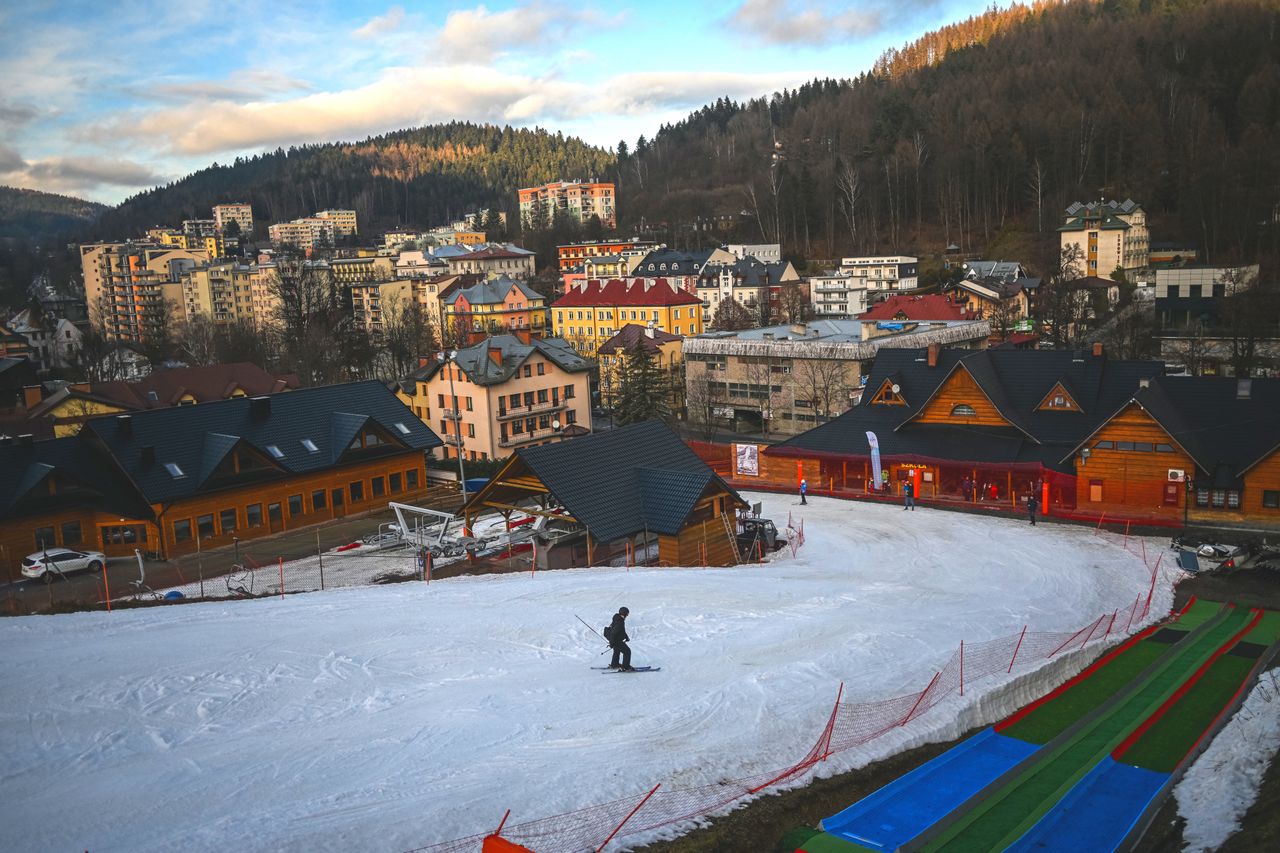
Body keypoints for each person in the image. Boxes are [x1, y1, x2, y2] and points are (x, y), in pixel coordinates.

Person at [606, 606, 633, 671]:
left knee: (617, 651)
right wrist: (611, 643)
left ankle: (614, 664)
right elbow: (613, 633)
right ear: (624, 614)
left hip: (615, 640)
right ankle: (625, 667)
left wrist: (626, 637)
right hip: (616, 640)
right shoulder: (619, 622)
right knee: (627, 651)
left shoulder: (617, 619)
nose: (627, 615)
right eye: (627, 614)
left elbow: (621, 630)